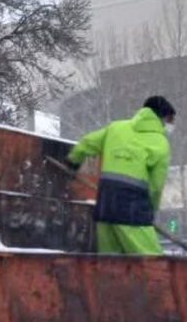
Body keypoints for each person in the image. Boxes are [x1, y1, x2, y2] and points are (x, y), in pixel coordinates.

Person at [67, 96, 175, 255]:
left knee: (110, 264)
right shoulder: (160, 143)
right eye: (170, 120)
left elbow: (87, 143)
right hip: (133, 209)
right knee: (152, 264)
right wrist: (151, 209)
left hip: (105, 204)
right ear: (162, 117)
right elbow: (156, 186)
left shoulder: (116, 128)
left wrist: (73, 161)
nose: (170, 125)